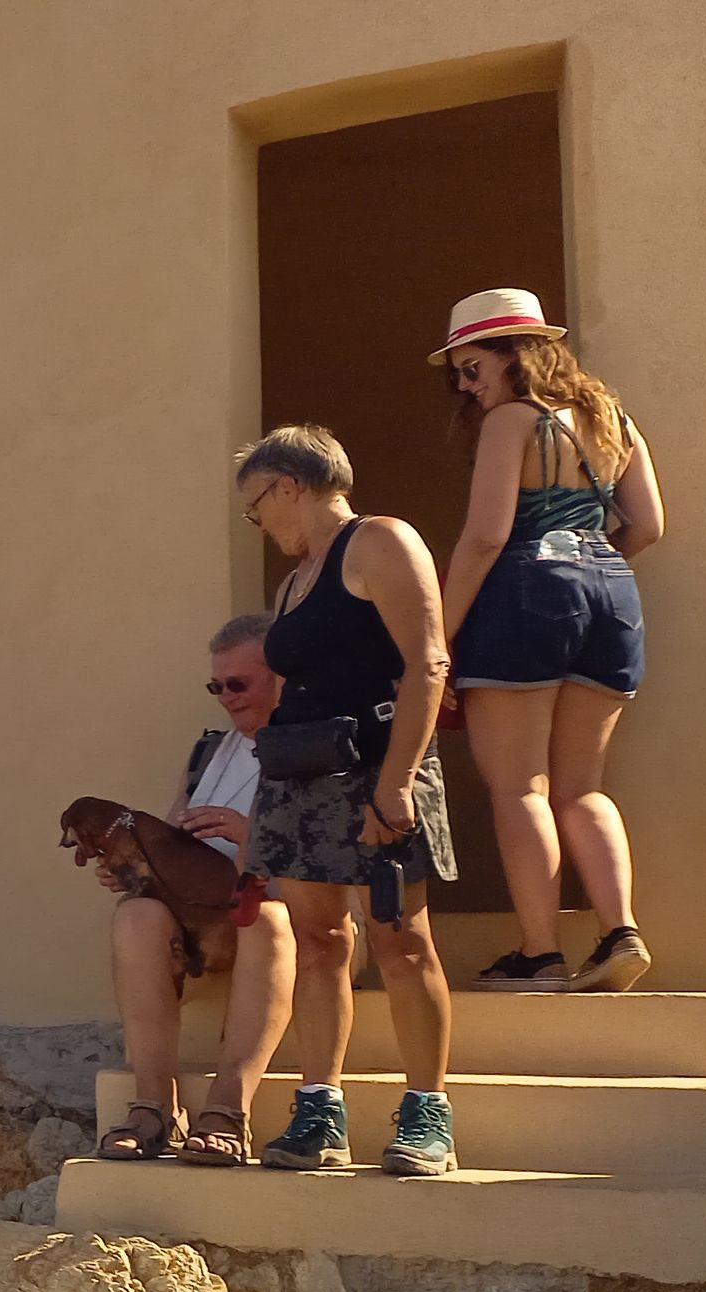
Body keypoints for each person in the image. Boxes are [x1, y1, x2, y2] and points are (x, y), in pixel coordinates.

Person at [234, 425, 461, 1176]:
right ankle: (319, 1113)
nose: (258, 524)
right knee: (320, 942)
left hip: (378, 768)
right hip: (301, 776)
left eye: (256, 506)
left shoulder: (380, 542)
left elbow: (428, 663)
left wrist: (396, 783)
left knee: (401, 940)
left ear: (288, 485)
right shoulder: (293, 583)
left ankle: (427, 1113)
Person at [434, 289, 671, 992]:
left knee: (520, 788)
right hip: (611, 593)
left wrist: (436, 638)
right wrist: (588, 563)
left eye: (472, 368)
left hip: (524, 593)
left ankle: (539, 953)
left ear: (516, 356)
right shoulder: (612, 418)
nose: (466, 386)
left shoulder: (513, 421)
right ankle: (620, 933)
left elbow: (485, 537)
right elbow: (648, 526)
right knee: (582, 787)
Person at [88, 616, 297, 1166]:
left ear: (283, 676)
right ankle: (153, 1106)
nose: (227, 697)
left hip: (298, 923)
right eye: (216, 686)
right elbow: (173, 846)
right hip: (206, 917)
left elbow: (334, 872)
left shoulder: (315, 747)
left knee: (267, 916)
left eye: (239, 684)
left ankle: (228, 1109)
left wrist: (251, 838)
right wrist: (132, 867)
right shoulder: (210, 752)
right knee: (136, 914)